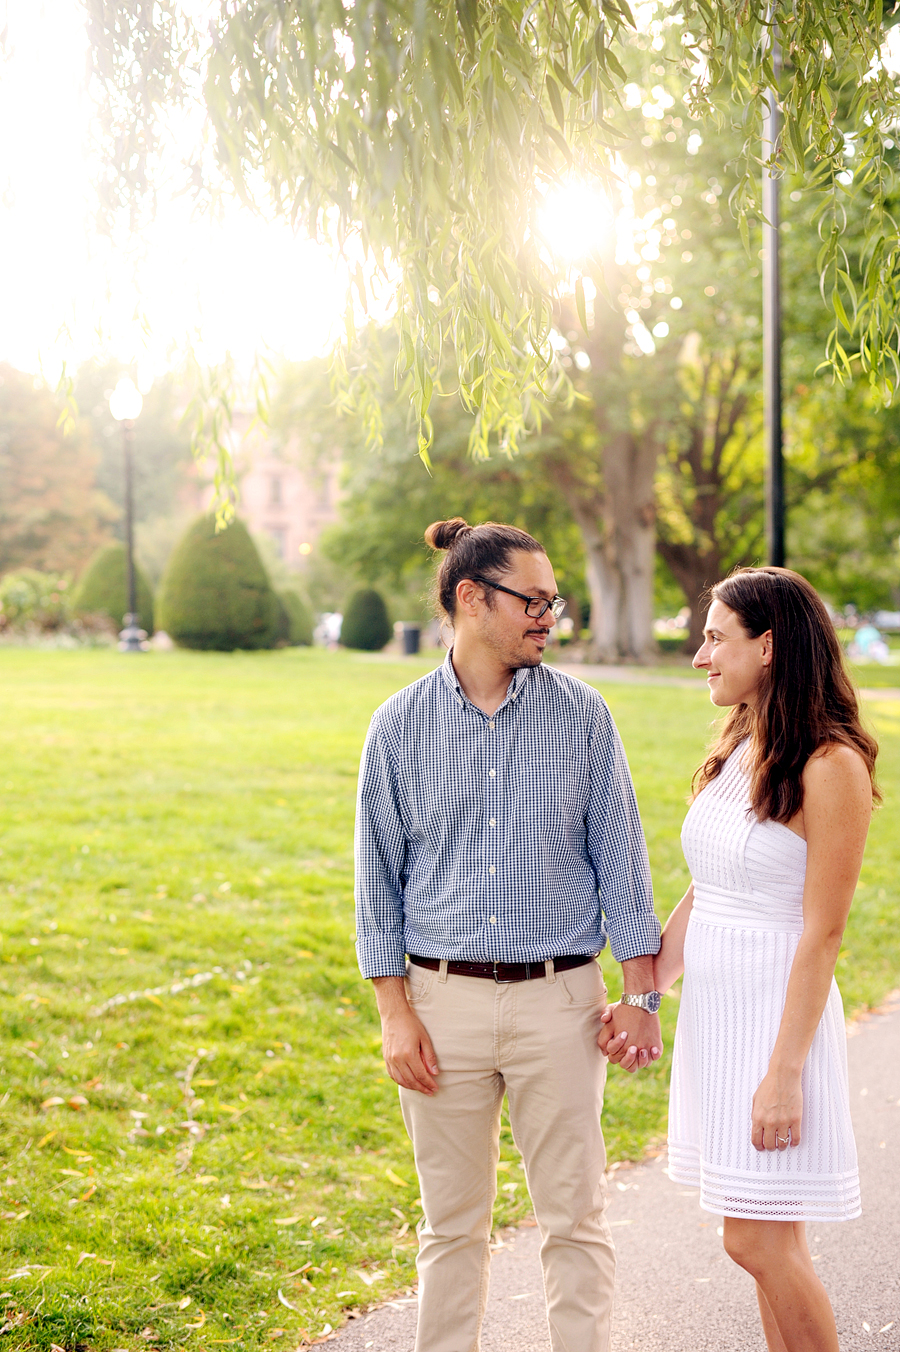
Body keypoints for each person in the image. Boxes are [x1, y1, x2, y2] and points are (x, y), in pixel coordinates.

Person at [354, 517, 663, 1352]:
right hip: (439, 1003)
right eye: (533, 600)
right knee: (450, 1226)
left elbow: (625, 868)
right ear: (471, 600)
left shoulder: (584, 719)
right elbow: (376, 883)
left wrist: (642, 996)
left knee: (575, 1217)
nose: (548, 617)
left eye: (552, 601)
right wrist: (395, 1012)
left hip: (562, 1003)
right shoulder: (397, 726)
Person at [622, 566, 876, 1352]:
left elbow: (823, 935)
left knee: (759, 1244)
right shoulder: (740, 745)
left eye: (714, 638)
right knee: (768, 1248)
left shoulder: (830, 765)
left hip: (776, 1025)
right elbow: (709, 891)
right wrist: (646, 994)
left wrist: (785, 1073)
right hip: (719, 1020)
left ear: (767, 647)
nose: (701, 655)